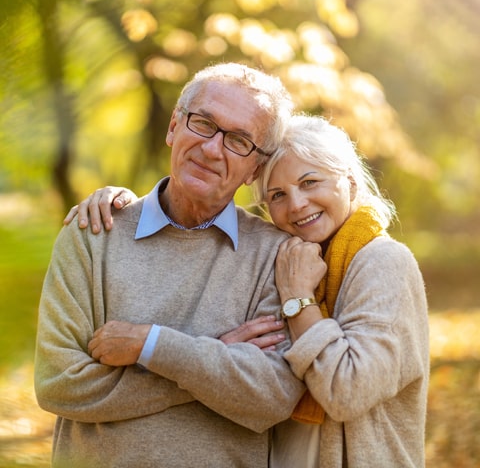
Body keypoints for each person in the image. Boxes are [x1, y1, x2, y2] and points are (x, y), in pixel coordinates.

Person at [71, 114, 430, 467]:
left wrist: (298, 299)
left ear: (350, 182)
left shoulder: (382, 262)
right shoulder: (288, 258)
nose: (296, 204)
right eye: (277, 195)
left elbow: (346, 392)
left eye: (309, 183)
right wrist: (126, 207)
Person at [34, 62, 307, 468]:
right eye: (203, 124)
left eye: (238, 141)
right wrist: (215, 357)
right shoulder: (93, 232)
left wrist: (151, 346)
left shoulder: (277, 255)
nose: (212, 148)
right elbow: (59, 384)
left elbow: (272, 399)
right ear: (173, 127)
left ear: (256, 168)